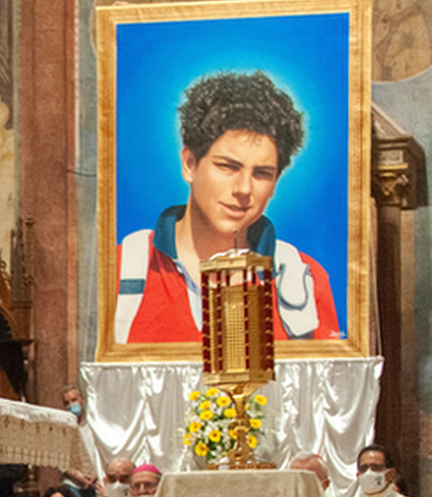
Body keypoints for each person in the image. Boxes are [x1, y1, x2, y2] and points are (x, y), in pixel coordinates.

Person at [114, 71, 340, 343]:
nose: (244, 189)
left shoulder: (305, 280)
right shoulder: (122, 270)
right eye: (228, 167)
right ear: (189, 164)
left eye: (262, 173)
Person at [61, 384, 103, 497]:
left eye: (74, 400)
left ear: (82, 400)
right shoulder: (64, 429)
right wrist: (81, 478)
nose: (71, 405)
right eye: (67, 402)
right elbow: (61, 461)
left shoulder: (94, 426)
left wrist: (93, 477)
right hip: (73, 483)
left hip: (95, 482)